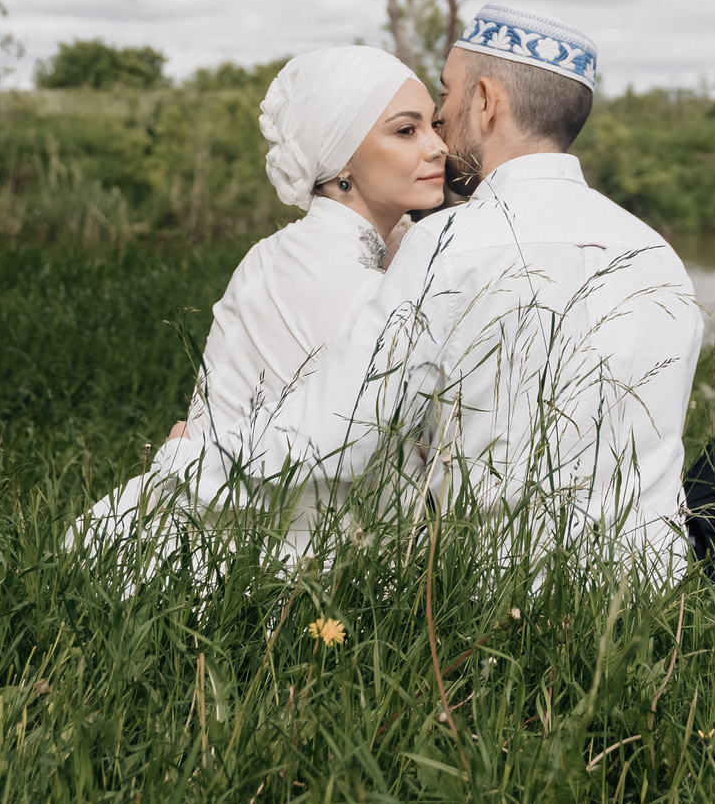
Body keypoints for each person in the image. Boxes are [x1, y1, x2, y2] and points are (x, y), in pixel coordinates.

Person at [147, 3, 713, 581]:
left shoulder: (452, 243)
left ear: (487, 101)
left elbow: (338, 430)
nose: (441, 122)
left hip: (505, 599)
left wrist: (189, 459)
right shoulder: (657, 255)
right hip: (651, 592)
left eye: (446, 94)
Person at [70, 46, 448, 561]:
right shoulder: (345, 281)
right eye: (407, 131)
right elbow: (368, 451)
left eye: (434, 125)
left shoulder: (284, 250)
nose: (437, 147)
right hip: (285, 554)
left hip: (233, 514)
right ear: (340, 163)